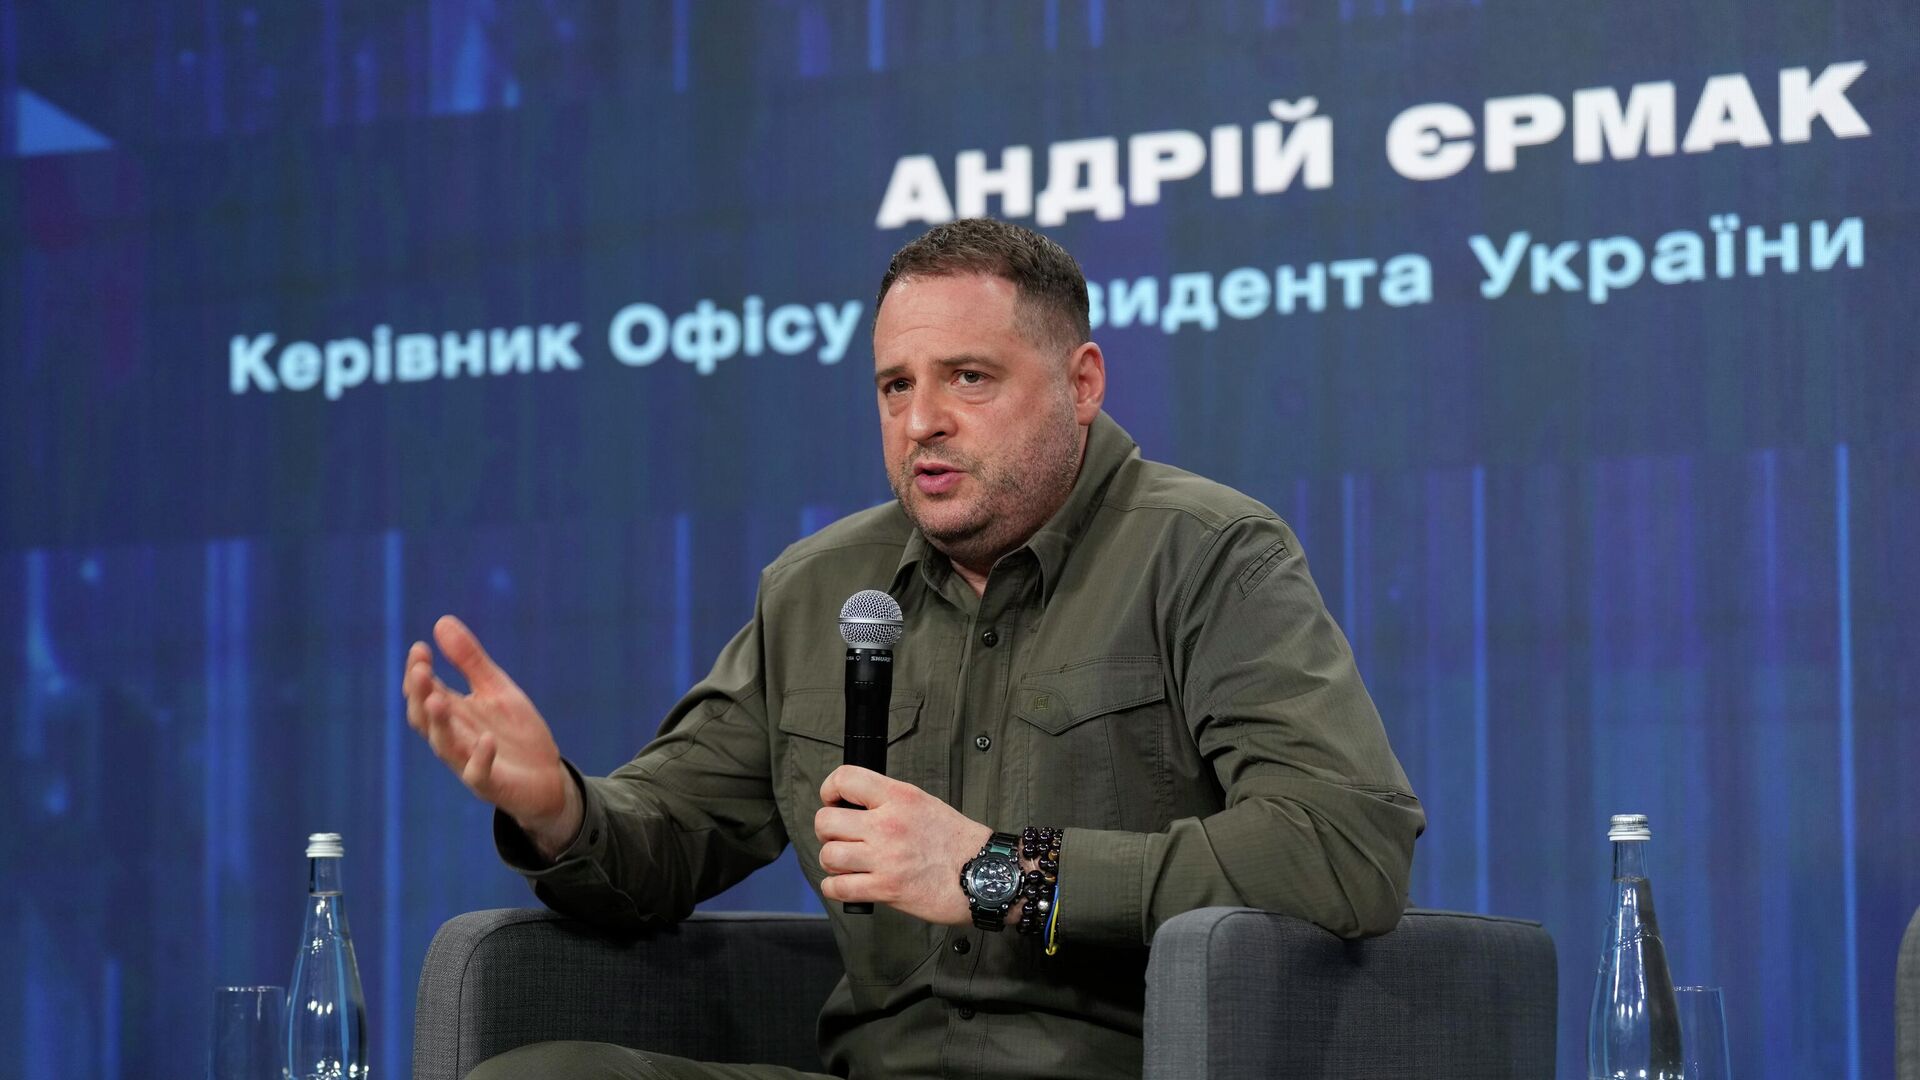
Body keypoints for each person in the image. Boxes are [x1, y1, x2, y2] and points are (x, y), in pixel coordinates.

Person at [403, 218, 1424, 1080]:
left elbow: (1344, 846)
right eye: (895, 387)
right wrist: (557, 808)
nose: (922, 421)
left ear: (1082, 383)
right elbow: (669, 836)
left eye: (968, 378)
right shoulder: (816, 589)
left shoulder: (1206, 554)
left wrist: (999, 871)